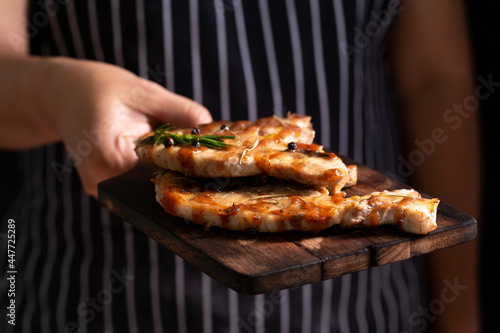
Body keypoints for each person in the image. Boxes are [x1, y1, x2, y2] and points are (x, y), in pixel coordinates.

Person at [0, 0, 481, 332]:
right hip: (110, 299)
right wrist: (54, 91)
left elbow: (434, 81)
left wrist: (460, 313)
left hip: (369, 302)